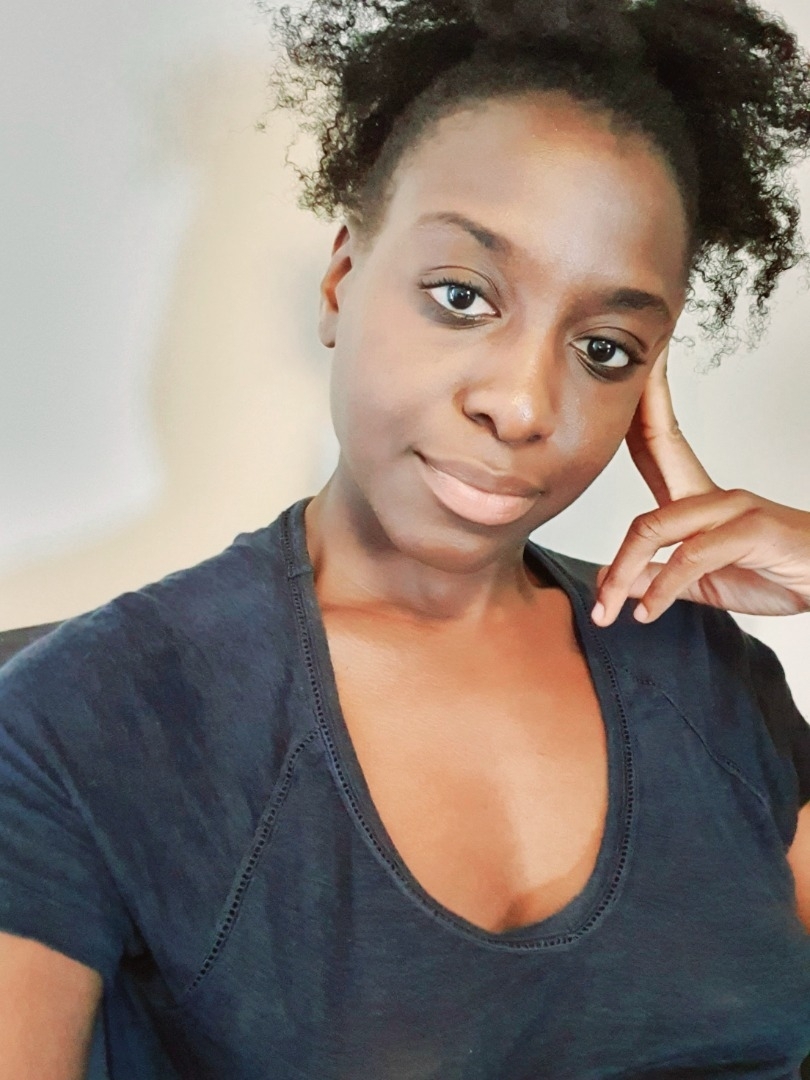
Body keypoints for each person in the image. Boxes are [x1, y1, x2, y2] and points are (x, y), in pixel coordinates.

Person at [2, 0, 810, 1076]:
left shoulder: (707, 674)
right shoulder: (88, 718)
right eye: (462, 295)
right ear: (342, 280)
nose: (523, 405)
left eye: (606, 349)